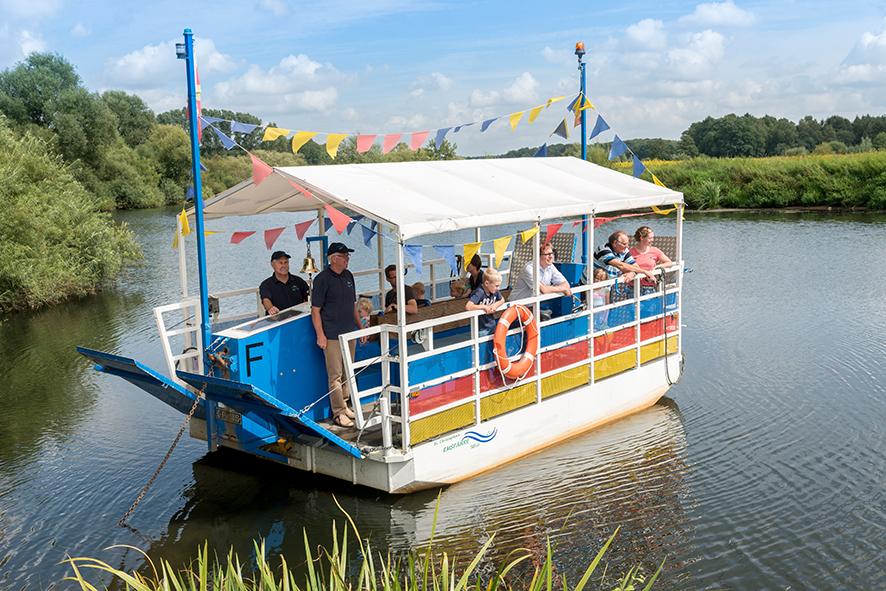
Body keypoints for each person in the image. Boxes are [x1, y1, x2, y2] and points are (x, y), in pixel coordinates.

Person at [311, 242, 364, 428]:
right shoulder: (322, 279)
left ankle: (345, 403)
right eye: (344, 256)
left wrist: (360, 327)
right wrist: (320, 335)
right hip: (332, 334)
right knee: (335, 374)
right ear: (334, 258)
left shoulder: (348, 275)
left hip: (349, 331)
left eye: (348, 255)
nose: (347, 258)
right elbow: (315, 310)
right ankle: (338, 412)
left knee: (348, 372)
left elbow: (352, 305)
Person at [509, 244, 574, 302]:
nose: (551, 256)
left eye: (551, 253)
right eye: (547, 254)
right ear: (538, 256)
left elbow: (566, 284)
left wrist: (548, 288)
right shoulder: (529, 269)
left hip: (535, 305)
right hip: (518, 305)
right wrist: (561, 289)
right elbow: (544, 290)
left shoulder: (550, 266)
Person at [259, 251, 309, 315]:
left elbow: (309, 296)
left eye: (286, 262)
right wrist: (271, 308)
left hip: (298, 319)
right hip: (277, 321)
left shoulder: (298, 281)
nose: (284, 266)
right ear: (272, 265)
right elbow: (266, 300)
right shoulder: (266, 285)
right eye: (280, 263)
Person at [629, 226, 674, 295]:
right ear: (642, 238)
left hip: (649, 288)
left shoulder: (655, 250)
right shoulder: (631, 252)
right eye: (650, 238)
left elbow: (669, 263)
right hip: (633, 288)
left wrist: (656, 268)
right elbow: (624, 267)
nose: (652, 240)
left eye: (653, 238)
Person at [465, 268, 505, 336]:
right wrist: (484, 307)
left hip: (492, 324)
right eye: (496, 286)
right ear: (486, 283)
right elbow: (468, 306)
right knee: (482, 346)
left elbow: (502, 299)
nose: (498, 288)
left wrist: (496, 305)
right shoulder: (479, 292)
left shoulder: (494, 291)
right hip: (481, 328)